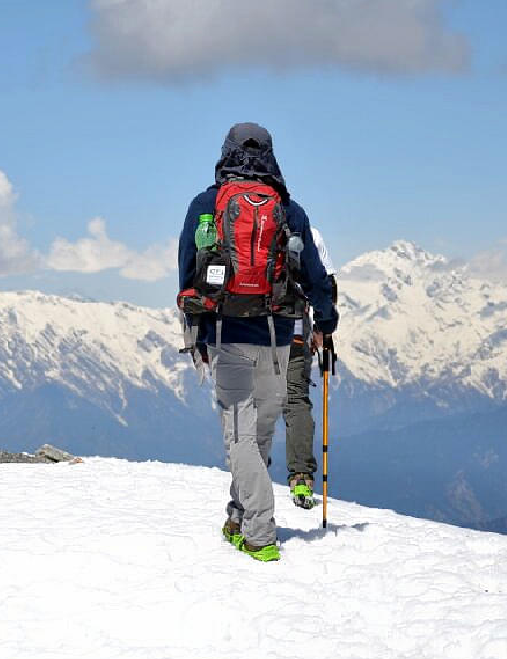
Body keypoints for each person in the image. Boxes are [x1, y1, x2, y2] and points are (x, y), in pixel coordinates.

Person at [177, 122, 338, 562]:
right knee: (261, 430)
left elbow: (188, 269)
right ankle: (238, 516)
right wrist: (327, 320)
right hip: (281, 337)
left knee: (239, 437)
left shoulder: (206, 205)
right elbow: (316, 279)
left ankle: (260, 532)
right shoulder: (289, 209)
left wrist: (197, 332)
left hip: (228, 333)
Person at [284, 227, 334, 510]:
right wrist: (322, 328)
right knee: (295, 400)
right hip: (294, 330)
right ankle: (301, 477)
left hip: (249, 332)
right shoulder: (308, 231)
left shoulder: (235, 216)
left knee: (251, 404)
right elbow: (327, 284)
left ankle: (248, 480)